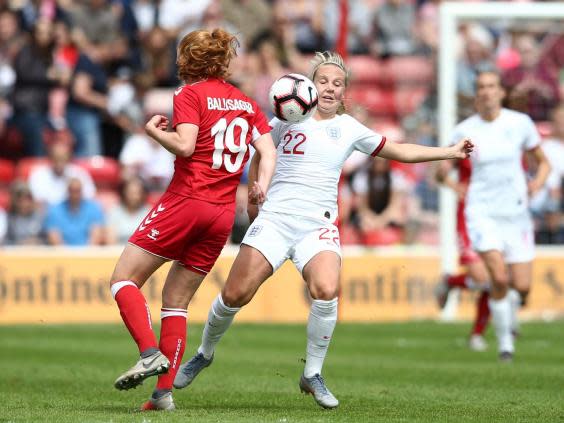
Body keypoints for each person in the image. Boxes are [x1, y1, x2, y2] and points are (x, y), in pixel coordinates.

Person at [174, 51, 473, 409]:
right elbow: (258, 155)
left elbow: (398, 150)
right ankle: (204, 353)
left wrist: (450, 152)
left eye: (337, 83)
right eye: (323, 81)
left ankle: (312, 374)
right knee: (236, 293)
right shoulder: (284, 118)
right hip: (275, 220)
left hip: (317, 225)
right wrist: (256, 194)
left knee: (327, 289)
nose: (330, 88)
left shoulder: (347, 128)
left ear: (344, 91)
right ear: (310, 86)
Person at [109, 28, 276, 411]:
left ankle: (149, 353)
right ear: (223, 62)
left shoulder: (189, 94)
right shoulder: (247, 104)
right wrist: (259, 186)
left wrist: (154, 133)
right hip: (220, 215)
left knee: (123, 279)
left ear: (188, 60)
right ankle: (163, 395)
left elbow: (185, 144)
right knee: (176, 301)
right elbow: (268, 151)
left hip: (187, 200)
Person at [450, 70, 550, 362]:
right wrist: (453, 184)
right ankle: (506, 344)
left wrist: (537, 183)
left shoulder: (520, 124)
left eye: (491, 86)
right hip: (482, 213)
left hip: (515, 213)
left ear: (501, 92)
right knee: (499, 276)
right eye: (481, 87)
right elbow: (443, 168)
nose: (486, 92)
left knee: (522, 286)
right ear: (477, 94)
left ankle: (507, 319)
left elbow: (543, 164)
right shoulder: (464, 130)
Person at [434, 158, 491, 352]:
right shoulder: (467, 140)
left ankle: (477, 334)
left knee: (496, 280)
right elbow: (440, 173)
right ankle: (451, 282)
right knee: (482, 277)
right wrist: (455, 185)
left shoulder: (508, 139)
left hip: (497, 217)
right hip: (469, 218)